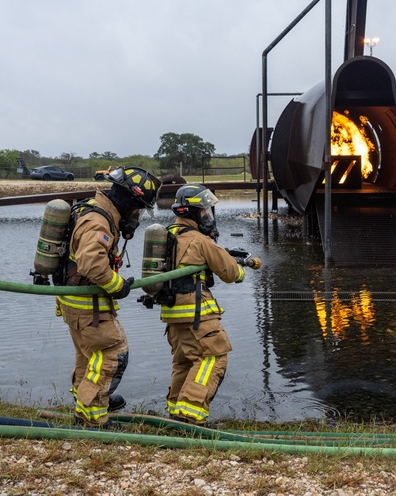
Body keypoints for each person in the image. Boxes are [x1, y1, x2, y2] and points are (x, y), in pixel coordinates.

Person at [57, 166, 160, 426]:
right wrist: (118, 286)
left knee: (89, 356)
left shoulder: (93, 208)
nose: (136, 216)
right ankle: (92, 416)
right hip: (87, 304)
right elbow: (91, 263)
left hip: (75, 301)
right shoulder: (98, 221)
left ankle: (86, 400)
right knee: (113, 352)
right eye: (137, 208)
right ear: (127, 200)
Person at [152, 184, 259, 425]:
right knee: (214, 357)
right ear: (194, 213)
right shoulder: (200, 241)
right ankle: (190, 416)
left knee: (184, 362)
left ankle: (175, 413)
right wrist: (241, 266)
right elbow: (231, 273)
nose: (208, 217)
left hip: (171, 315)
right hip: (197, 314)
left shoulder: (166, 236)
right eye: (205, 212)